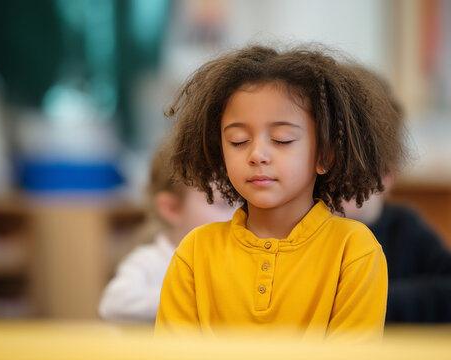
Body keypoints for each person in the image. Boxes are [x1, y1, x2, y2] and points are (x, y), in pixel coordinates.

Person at [154, 45, 406, 342]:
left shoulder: (354, 250)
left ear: (324, 154)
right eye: (238, 140)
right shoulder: (195, 251)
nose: (257, 154)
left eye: (282, 139)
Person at [342, 65, 451, 323]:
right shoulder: (306, 230)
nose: (330, 187)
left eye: (350, 170)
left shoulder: (404, 229)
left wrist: (374, 301)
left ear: (387, 174)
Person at [98, 145, 235, 322]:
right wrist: (189, 299)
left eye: (243, 202)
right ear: (172, 208)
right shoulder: (150, 262)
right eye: (223, 204)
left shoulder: (235, 260)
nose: (238, 213)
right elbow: (112, 305)